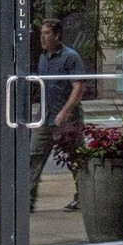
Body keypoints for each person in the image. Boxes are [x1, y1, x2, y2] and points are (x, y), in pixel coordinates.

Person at [27, 18, 87, 213]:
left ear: (57, 36)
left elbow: (78, 88)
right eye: (41, 33)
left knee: (75, 159)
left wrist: (65, 112)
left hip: (67, 118)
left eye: (46, 34)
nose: (42, 38)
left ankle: (83, 198)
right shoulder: (43, 57)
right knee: (34, 156)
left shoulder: (71, 57)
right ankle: (27, 200)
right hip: (44, 116)